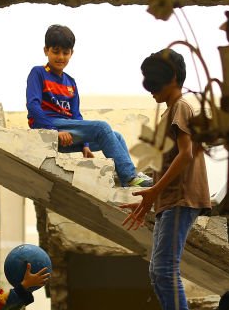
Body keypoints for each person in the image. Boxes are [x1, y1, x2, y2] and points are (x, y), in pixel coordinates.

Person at [120, 49, 211, 310]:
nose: (149, 85)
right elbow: (167, 161)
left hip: (181, 197)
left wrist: (156, 190)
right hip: (168, 200)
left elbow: (185, 154)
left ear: (171, 77)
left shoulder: (180, 108)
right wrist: (149, 199)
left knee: (165, 268)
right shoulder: (169, 112)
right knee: (158, 271)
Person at [26, 24, 153, 188]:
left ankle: (127, 183)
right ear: (46, 50)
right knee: (102, 127)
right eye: (55, 51)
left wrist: (85, 144)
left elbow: (76, 116)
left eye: (65, 52)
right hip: (46, 128)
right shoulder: (38, 73)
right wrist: (55, 131)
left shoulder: (70, 82)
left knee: (117, 137)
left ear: (72, 53)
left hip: (68, 133)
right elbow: (33, 106)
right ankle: (130, 176)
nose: (61, 57)